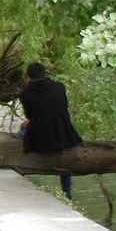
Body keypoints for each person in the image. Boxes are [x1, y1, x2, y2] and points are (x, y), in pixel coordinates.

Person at [18, 62, 83, 199]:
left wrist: (31, 121)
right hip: (63, 134)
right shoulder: (59, 87)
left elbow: (30, 115)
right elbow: (60, 109)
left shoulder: (25, 94)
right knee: (64, 158)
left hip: (42, 138)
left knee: (19, 136)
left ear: (29, 78)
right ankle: (67, 193)